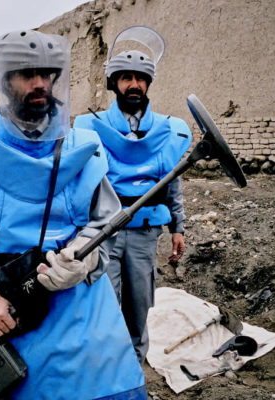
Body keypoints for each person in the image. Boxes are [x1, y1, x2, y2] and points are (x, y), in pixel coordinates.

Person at [0, 29, 147, 399]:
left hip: (84, 307)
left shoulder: (83, 147)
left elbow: (106, 221)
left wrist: (84, 258)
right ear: (1, 81)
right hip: (11, 309)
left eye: (46, 74)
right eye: (26, 73)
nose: (40, 84)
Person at [74, 26, 193, 364]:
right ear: (114, 83)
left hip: (144, 233)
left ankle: (135, 371)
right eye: (125, 77)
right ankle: (110, 371)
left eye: (140, 78)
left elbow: (172, 179)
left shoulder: (166, 130)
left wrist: (178, 228)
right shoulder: (92, 127)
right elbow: (81, 180)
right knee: (106, 304)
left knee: (140, 307)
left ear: (148, 83)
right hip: (104, 232)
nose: (133, 84)